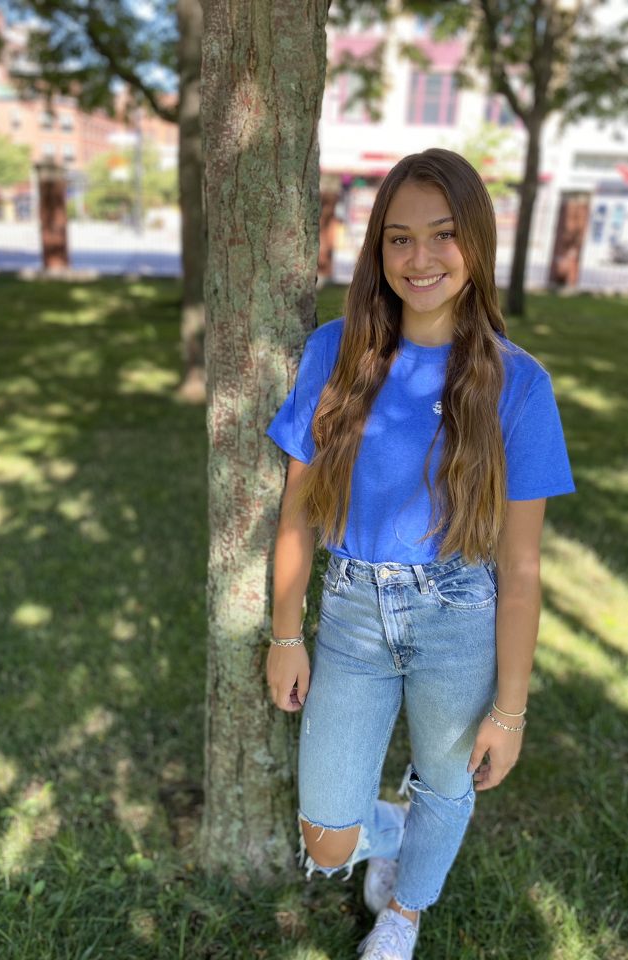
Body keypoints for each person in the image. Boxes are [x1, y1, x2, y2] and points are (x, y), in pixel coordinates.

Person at [264, 148, 575, 960]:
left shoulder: (519, 384)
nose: (420, 259)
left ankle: (403, 913)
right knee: (327, 835)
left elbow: (521, 568)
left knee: (448, 782)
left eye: (441, 235)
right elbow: (295, 513)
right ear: (377, 252)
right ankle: (388, 826)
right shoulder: (335, 352)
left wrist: (509, 712)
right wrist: (285, 632)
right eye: (398, 239)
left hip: (459, 615)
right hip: (352, 615)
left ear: (474, 242)